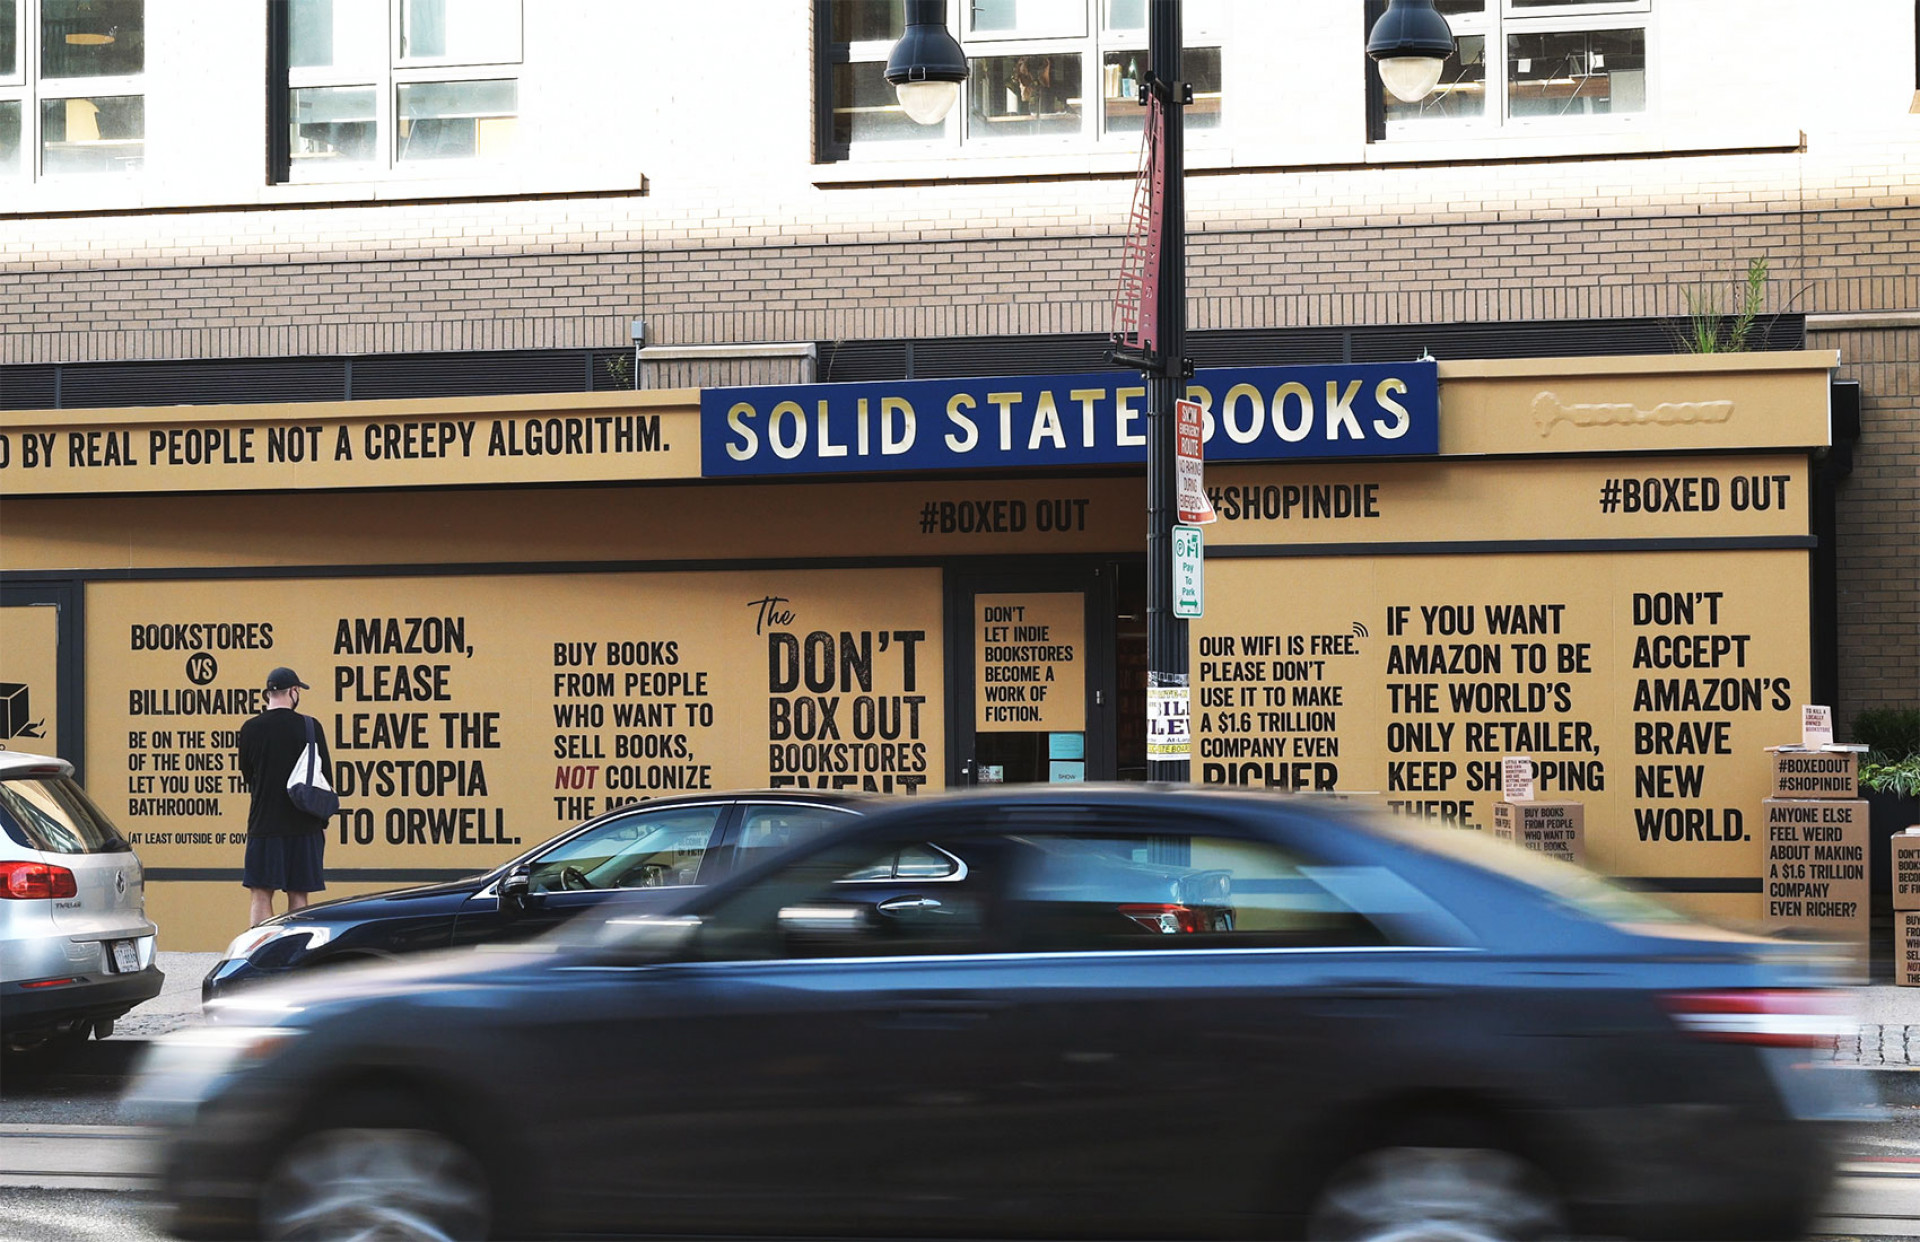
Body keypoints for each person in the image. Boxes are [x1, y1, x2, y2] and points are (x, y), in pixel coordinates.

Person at [235, 666, 331, 927]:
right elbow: (325, 778)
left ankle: (261, 949)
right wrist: (322, 823)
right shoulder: (310, 726)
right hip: (305, 824)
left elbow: (247, 775)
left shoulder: (251, 728)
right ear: (294, 691)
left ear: (268, 694)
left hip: (264, 824)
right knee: (299, 895)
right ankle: (295, 949)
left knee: (261, 894)